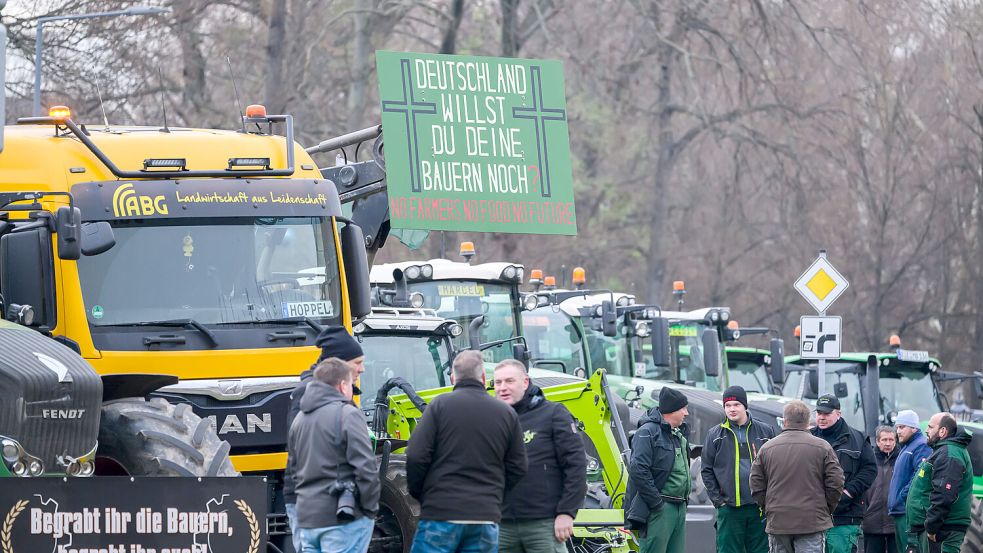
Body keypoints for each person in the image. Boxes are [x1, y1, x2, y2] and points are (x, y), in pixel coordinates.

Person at [406, 350, 528, 553]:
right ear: (483, 378)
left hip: (441, 511)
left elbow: (416, 455)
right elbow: (519, 466)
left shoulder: (439, 405)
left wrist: (422, 494)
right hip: (484, 516)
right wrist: (493, 495)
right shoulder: (506, 413)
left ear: (453, 378)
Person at [284, 326, 366, 551]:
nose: (363, 369)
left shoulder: (326, 394)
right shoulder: (309, 395)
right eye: (357, 362)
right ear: (338, 363)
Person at [493, 359, 587, 553]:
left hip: (543, 524)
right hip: (501, 526)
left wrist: (566, 512)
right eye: (498, 382)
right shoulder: (491, 421)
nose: (502, 388)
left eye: (509, 381)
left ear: (525, 382)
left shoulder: (553, 414)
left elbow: (575, 465)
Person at [750, 400, 844, 553]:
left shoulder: (767, 448)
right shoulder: (823, 447)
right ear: (808, 421)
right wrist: (826, 509)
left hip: (778, 521)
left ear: (785, 421)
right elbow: (836, 483)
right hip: (812, 520)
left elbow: (756, 484)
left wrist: (768, 507)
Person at [701, 385, 776, 553]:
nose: (732, 409)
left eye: (736, 404)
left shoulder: (766, 431)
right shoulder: (715, 435)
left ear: (745, 406)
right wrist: (718, 501)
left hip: (759, 508)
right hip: (729, 508)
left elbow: (776, 467)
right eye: (728, 405)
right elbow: (706, 470)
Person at [625, 386, 691, 553]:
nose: (686, 413)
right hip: (661, 508)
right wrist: (656, 503)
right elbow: (638, 470)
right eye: (683, 408)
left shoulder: (678, 435)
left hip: (678, 507)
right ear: (671, 410)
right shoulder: (647, 432)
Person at [811, 395, 878, 553]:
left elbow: (870, 469)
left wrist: (848, 492)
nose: (821, 417)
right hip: (813, 516)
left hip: (845, 516)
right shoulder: (808, 438)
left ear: (838, 414)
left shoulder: (858, 439)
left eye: (826, 414)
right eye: (819, 413)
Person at [905, 413, 975, 553]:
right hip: (939, 527)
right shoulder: (944, 450)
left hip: (942, 530)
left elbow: (944, 494)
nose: (926, 430)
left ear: (942, 431)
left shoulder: (950, 453)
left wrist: (932, 526)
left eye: (930, 427)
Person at [888, 410, 932, 553]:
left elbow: (919, 476)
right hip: (901, 511)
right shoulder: (907, 446)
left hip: (908, 512)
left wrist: (902, 496)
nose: (898, 431)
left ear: (914, 428)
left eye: (902, 427)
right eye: (897, 427)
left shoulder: (921, 445)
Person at [863, 426, 899, 553]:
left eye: (891, 439)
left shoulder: (902, 459)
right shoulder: (868, 460)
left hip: (896, 522)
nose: (888, 443)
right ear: (877, 441)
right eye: (884, 440)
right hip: (872, 520)